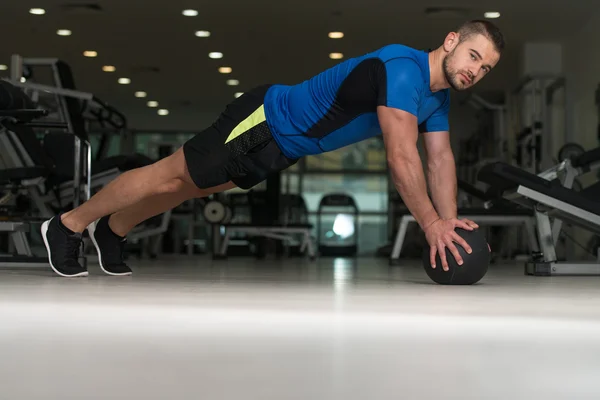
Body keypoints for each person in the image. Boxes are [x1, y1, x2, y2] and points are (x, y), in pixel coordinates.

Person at [41, 19, 504, 278]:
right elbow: (402, 156)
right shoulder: (403, 70)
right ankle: (68, 225)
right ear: (450, 42)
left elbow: (439, 159)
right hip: (265, 120)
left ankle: (114, 228)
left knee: (193, 188)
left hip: (284, 145)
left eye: (485, 69)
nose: (475, 70)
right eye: (473, 56)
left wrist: (449, 221)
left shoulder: (436, 99)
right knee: (172, 173)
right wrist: (431, 225)